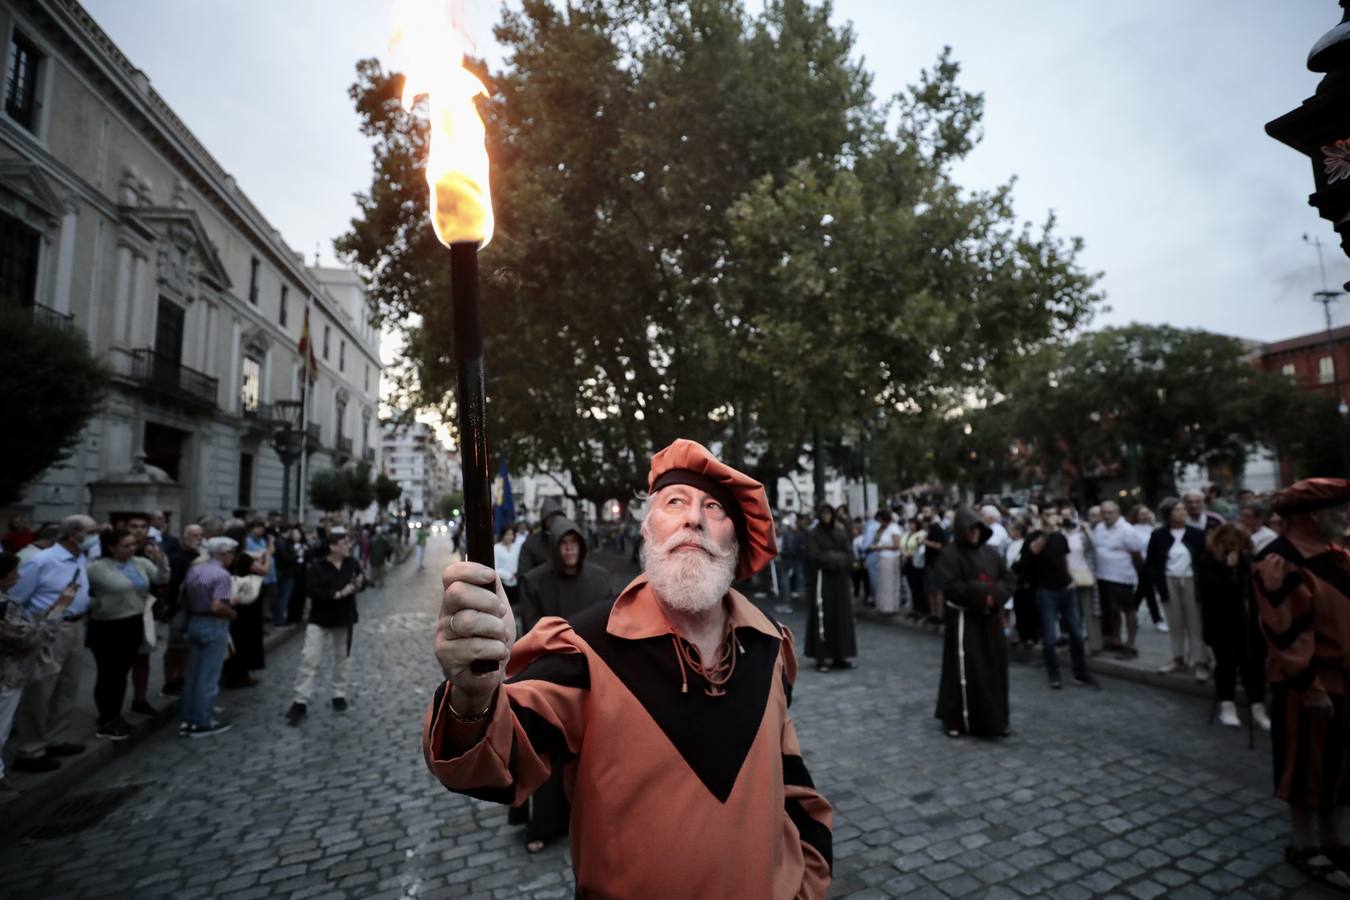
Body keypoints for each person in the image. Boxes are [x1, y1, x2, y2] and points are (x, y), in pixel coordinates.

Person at [423, 438, 832, 897]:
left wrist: (808, 881)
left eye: (715, 508)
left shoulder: (770, 648)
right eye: (675, 501)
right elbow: (492, 764)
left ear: (735, 544)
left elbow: (793, 785)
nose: (693, 517)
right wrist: (474, 695)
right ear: (646, 531)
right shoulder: (586, 650)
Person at [1252, 478, 1350, 891]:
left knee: (1338, 765)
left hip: (1343, 681)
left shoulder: (1334, 553)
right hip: (1310, 686)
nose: (1347, 518)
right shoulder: (1280, 561)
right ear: (1314, 515)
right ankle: (1305, 845)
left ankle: (1334, 840)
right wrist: (1311, 688)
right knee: (1307, 766)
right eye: (1341, 511)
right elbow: (1285, 635)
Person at [511, 515, 614, 853]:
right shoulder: (536, 582)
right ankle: (544, 824)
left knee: (593, 753)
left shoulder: (598, 579)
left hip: (593, 674)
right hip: (552, 675)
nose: (570, 550)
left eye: (574, 544)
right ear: (555, 548)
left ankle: (583, 817)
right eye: (564, 544)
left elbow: (612, 625)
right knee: (549, 752)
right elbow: (532, 630)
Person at [8, 515, 96, 771]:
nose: (95, 537)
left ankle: (55, 736)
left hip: (76, 625)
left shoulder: (80, 557)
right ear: (72, 534)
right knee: (41, 689)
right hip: (49, 629)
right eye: (90, 531)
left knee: (67, 685)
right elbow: (16, 597)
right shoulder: (42, 561)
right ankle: (30, 749)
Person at [934, 507, 1014, 737]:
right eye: (969, 530)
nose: (974, 534)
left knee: (994, 668)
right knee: (965, 669)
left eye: (977, 529)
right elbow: (950, 586)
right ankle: (957, 719)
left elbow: (1007, 578)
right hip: (964, 620)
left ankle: (995, 719)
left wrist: (995, 597)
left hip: (990, 620)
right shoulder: (950, 554)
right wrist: (982, 595)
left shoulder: (990, 553)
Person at [0, 553, 72, 799]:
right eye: (13, 573)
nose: (18, 577)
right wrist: (59, 607)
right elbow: (32, 637)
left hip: (10, 673)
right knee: (2, 727)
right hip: (7, 675)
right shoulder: (5, 606)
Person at [86, 528, 168, 740]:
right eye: (126, 545)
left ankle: (115, 715)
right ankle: (106, 718)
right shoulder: (97, 567)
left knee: (121, 672)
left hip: (133, 621)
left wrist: (160, 560)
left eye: (133, 545)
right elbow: (107, 588)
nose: (132, 549)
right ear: (112, 547)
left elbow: (161, 578)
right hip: (108, 625)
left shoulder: (139, 563)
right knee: (109, 673)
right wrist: (96, 604)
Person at [286, 529, 365, 726]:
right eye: (344, 543)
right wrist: (338, 594)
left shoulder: (352, 564)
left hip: (344, 618)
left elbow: (362, 582)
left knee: (342, 658)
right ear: (333, 547)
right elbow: (312, 591)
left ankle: (338, 694)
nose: (348, 546)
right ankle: (300, 700)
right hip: (320, 619)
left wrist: (359, 584)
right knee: (309, 658)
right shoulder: (317, 567)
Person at [1197, 523, 1268, 730]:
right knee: (1226, 665)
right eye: (1228, 545)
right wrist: (1226, 571)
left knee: (1253, 666)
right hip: (1221, 624)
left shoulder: (1250, 561)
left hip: (1249, 626)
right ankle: (1227, 706)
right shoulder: (1207, 561)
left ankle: (1258, 707)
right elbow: (1209, 593)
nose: (1233, 550)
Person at [1021, 511, 1097, 690]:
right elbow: (1034, 550)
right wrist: (1046, 532)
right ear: (1041, 517)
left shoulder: (1060, 538)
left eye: (1053, 514)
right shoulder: (1034, 537)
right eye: (1048, 514)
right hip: (1046, 592)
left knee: (1077, 635)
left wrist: (1071, 579)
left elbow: (1065, 560)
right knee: (1049, 639)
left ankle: (1081, 673)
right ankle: (1054, 675)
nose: (1052, 517)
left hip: (1065, 590)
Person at [180, 537, 238, 737]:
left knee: (192, 675)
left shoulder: (195, 570)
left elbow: (185, 596)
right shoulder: (222, 574)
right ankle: (202, 721)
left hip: (195, 621)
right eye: (231, 553)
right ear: (224, 554)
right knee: (208, 677)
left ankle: (188, 719)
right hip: (213, 624)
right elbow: (217, 606)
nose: (232, 557)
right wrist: (233, 613)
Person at [1146, 498, 1208, 680]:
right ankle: (1178, 658)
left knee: (1195, 623)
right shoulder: (1158, 535)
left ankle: (1200, 661)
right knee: (1175, 623)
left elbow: (1204, 560)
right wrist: (1159, 583)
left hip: (1191, 581)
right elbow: (1152, 562)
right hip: (1169, 581)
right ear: (1168, 514)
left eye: (1183, 509)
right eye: (1177, 510)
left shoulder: (1196, 534)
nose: (1182, 512)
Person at [805, 503, 857, 672]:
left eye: (829, 514)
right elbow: (815, 555)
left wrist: (833, 559)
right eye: (824, 514)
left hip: (839, 581)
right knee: (823, 616)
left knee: (841, 617)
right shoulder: (814, 534)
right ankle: (821, 658)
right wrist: (835, 558)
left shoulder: (840, 533)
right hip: (823, 581)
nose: (827, 517)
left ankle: (840, 656)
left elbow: (850, 555)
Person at [1093, 501, 1145, 657]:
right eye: (1104, 513)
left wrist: (1139, 573)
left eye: (1111, 513)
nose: (1107, 516)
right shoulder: (1099, 528)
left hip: (1122, 576)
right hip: (1103, 576)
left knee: (1128, 610)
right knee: (1112, 610)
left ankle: (1131, 642)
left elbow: (1136, 553)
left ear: (1118, 513)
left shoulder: (1127, 530)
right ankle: (1116, 639)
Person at [161, 523, 205, 695]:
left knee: (187, 646)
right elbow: (172, 584)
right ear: (185, 537)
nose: (198, 539)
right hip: (179, 607)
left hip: (195, 607)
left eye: (200, 535)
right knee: (175, 646)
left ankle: (182, 676)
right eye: (194, 535)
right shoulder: (177, 557)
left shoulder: (201, 556)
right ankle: (170, 680)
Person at [1130, 505, 1167, 632]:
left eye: (1147, 513)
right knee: (1149, 590)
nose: (1145, 515)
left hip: (1154, 563)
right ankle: (1157, 619)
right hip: (1142, 563)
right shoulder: (1133, 529)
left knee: (1142, 590)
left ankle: (1131, 611)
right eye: (1142, 513)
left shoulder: (1153, 527)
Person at [516, 497, 564, 577]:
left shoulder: (567, 539)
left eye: (558, 516)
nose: (555, 520)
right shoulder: (530, 543)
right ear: (544, 519)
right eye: (551, 517)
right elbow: (523, 574)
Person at [870, 510, 902, 615]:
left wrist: (880, 547)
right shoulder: (883, 528)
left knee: (890, 583)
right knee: (883, 583)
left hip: (890, 558)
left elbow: (896, 545)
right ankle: (883, 606)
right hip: (883, 557)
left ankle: (891, 607)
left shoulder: (893, 528)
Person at [901, 517, 928, 622]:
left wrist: (909, 554)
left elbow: (920, 548)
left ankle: (921, 610)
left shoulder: (921, 533)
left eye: (913, 524)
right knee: (912, 586)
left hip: (916, 563)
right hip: (907, 563)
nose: (911, 526)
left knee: (919, 587)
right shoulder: (907, 534)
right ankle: (915, 609)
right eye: (910, 523)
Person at [494, 526, 520, 611]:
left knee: (517, 605)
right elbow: (495, 567)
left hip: (517, 580)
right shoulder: (496, 548)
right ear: (503, 535)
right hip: (503, 582)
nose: (510, 537)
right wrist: (508, 576)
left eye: (511, 534)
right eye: (507, 534)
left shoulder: (516, 546)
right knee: (506, 606)